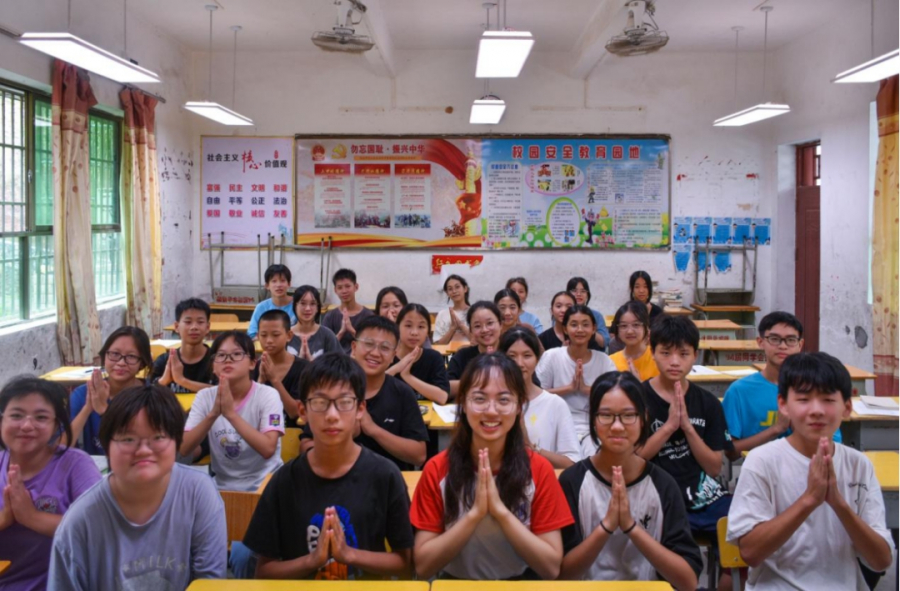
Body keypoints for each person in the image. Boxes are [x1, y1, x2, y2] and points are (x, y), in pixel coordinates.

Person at [727, 352, 894, 590]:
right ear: (783, 405)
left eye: (828, 399)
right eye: (804, 399)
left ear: (847, 407)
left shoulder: (859, 465)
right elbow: (750, 553)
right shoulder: (761, 461)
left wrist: (839, 503)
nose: (816, 410)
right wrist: (809, 499)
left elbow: (881, 561)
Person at [241, 353, 415, 580]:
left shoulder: (385, 475)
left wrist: (350, 555)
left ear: (360, 409)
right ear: (302, 411)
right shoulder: (284, 481)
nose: (332, 415)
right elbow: (263, 573)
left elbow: (405, 564)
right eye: (320, 403)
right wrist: (313, 560)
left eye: (344, 402)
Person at [410, 354, 574, 580]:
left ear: (519, 406)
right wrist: (474, 515)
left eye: (504, 400)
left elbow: (551, 567)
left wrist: (501, 513)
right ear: (463, 404)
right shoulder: (437, 468)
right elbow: (423, 566)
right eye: (479, 399)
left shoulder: (538, 469)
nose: (491, 410)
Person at [48, 385, 227, 590]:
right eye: (128, 439)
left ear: (176, 442)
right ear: (107, 445)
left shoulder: (198, 493)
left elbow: (209, 583)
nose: (143, 450)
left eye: (158, 437)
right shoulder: (80, 521)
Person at [559, 372, 701, 588]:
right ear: (593, 419)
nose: (617, 426)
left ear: (643, 418)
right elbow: (561, 576)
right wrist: (606, 527)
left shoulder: (663, 485)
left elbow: (688, 582)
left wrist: (631, 527)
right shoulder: (572, 481)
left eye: (628, 415)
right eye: (606, 415)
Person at [638, 315, 734, 589]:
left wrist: (688, 428)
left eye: (683, 354)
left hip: (705, 495)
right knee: (678, 567)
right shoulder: (638, 398)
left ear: (695, 355)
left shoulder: (708, 403)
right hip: (659, 497)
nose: (674, 362)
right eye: (665, 353)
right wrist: (669, 426)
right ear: (652, 352)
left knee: (743, 540)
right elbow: (635, 458)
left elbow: (714, 467)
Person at [0, 377, 101, 591]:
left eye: (41, 417)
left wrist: (31, 517)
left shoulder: (75, 465)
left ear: (56, 424)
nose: (27, 426)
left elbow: (100, 530)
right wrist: (5, 519)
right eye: (16, 415)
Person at [300, 316, 428, 471]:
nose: (375, 353)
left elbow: (419, 455)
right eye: (368, 344)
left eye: (385, 347)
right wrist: (344, 435)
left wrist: (373, 430)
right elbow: (305, 446)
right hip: (337, 477)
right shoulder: (332, 389)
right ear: (354, 347)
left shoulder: (402, 393)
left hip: (389, 481)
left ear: (393, 356)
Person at [723, 311, 841, 461]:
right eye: (774, 339)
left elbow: (833, 447)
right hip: (758, 470)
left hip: (807, 467)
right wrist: (776, 429)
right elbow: (730, 452)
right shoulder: (739, 391)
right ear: (760, 342)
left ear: (800, 344)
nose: (783, 346)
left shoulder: (816, 389)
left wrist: (799, 428)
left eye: (790, 340)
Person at [182, 331, 284, 491]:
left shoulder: (268, 395)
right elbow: (184, 449)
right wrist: (213, 414)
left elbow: (268, 449)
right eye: (221, 355)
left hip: (266, 484)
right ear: (213, 365)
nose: (228, 360)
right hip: (222, 486)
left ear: (252, 363)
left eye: (237, 354)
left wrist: (230, 414)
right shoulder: (205, 397)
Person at [536, 305, 616, 457]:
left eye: (585, 325)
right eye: (574, 324)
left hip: (593, 426)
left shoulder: (604, 361)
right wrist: (569, 388)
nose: (580, 330)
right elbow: (537, 394)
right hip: (555, 423)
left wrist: (586, 389)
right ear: (565, 329)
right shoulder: (552, 356)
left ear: (594, 329)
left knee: (595, 459)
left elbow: (615, 398)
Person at [499, 327, 579, 468]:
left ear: (537, 360)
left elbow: (572, 463)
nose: (519, 363)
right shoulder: (491, 404)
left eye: (527, 355)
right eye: (512, 356)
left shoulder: (554, 404)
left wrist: (532, 448)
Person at [69, 326, 152, 455]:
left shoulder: (151, 397)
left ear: (141, 363)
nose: (121, 363)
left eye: (131, 356)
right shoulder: (84, 394)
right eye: (114, 354)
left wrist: (105, 411)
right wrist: (88, 408)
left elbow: (139, 447)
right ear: (104, 356)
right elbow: (61, 447)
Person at [251, 310, 310, 422]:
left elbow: (294, 412)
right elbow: (250, 410)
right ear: (258, 336)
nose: (269, 340)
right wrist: (261, 380)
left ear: (289, 336)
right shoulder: (254, 367)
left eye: (275, 335)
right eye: (263, 335)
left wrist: (275, 380)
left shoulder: (304, 368)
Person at [388, 304, 450, 405]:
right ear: (397, 327)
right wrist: (396, 368)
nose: (414, 332)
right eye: (408, 325)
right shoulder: (386, 355)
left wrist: (407, 376)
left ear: (428, 332)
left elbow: (442, 397)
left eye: (421, 327)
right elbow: (371, 388)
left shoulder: (434, 357)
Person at [152, 297, 216, 394]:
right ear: (176, 327)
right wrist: (164, 380)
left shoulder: (217, 360)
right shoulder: (164, 361)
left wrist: (181, 380)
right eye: (188, 322)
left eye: (200, 322)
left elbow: (223, 391)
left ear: (207, 327)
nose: (194, 327)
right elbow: (146, 393)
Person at [447, 301, 503, 397]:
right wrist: (480, 381)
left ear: (501, 324)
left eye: (490, 323)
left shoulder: (511, 353)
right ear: (471, 331)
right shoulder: (462, 356)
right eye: (477, 326)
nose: (485, 330)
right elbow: (445, 387)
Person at [321, 269, 375, 353]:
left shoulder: (368, 316)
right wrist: (341, 332)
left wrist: (352, 330)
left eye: (348, 286)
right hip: (335, 359)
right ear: (335, 290)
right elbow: (324, 347)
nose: (344, 291)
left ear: (356, 287)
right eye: (340, 288)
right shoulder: (330, 316)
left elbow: (372, 344)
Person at [287, 285, 341, 361]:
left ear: (317, 308)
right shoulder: (285, 335)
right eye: (303, 303)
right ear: (295, 306)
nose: (308, 308)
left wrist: (311, 361)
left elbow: (338, 364)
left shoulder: (328, 335)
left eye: (312, 304)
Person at [609, 302, 659, 382]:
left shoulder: (658, 357)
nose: (630, 331)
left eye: (636, 325)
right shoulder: (610, 362)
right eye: (624, 326)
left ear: (646, 327)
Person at [538, 291, 603, 353]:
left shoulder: (585, 336)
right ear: (551, 311)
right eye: (558, 306)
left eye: (569, 306)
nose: (563, 310)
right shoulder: (543, 338)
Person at [248, 264, 297, 339]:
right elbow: (252, 334)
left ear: (289, 284)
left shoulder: (297, 305)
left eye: (282, 281)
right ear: (267, 285)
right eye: (274, 281)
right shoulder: (261, 307)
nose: (278, 285)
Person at [566, 277, 610, 350]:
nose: (579, 294)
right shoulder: (563, 315)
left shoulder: (596, 315)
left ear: (587, 295)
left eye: (583, 291)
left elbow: (604, 342)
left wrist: (590, 328)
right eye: (574, 291)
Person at [433, 274, 471, 344]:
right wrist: (452, 329)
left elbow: (479, 341)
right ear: (447, 293)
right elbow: (438, 344)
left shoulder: (474, 312)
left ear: (465, 289)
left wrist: (462, 326)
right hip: (448, 351)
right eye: (450, 289)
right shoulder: (442, 314)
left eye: (457, 287)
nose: (454, 291)